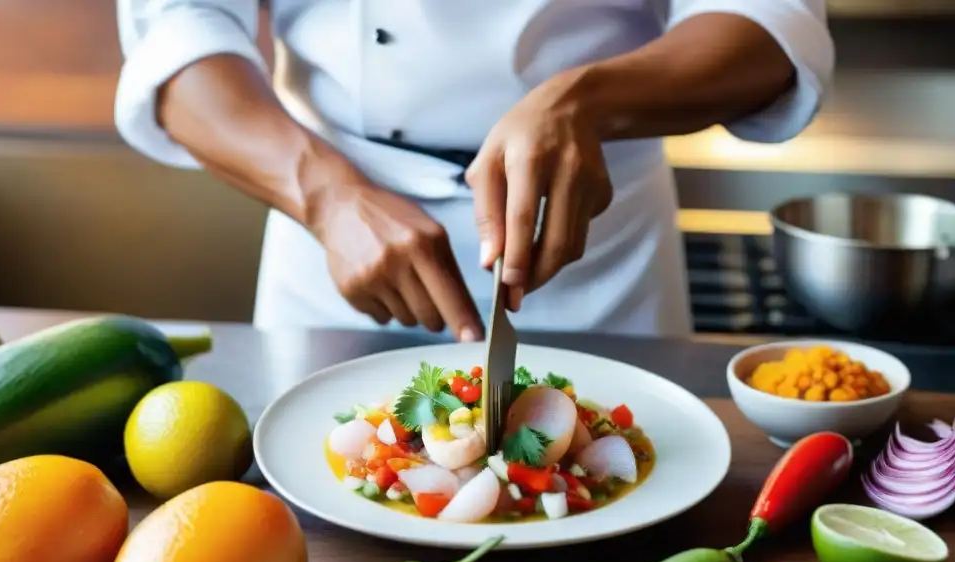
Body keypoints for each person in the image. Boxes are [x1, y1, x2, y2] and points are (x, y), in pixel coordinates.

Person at [114, 1, 833, 341]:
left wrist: (588, 99)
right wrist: (324, 195)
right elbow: (178, 32)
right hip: (332, 253)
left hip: (598, 253)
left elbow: (765, 23)